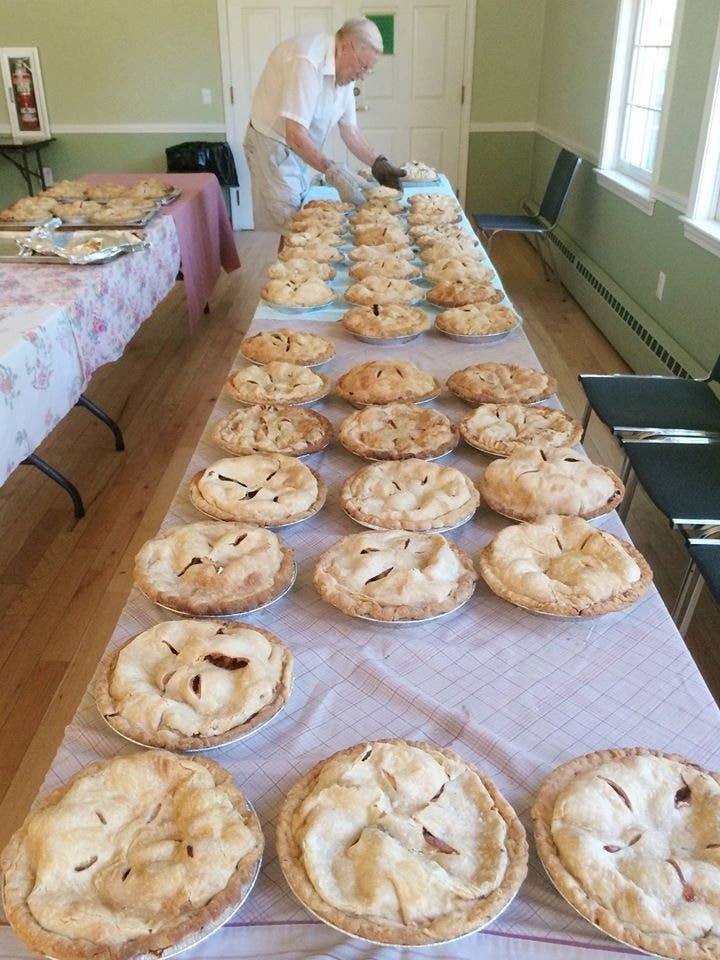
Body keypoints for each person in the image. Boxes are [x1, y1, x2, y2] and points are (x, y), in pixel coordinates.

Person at [243, 17, 406, 230]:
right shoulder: (307, 60)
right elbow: (295, 134)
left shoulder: (346, 71)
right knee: (293, 226)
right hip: (273, 145)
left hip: (296, 147)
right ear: (346, 47)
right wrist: (334, 172)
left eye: (368, 70)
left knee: (298, 218)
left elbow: (349, 130)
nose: (362, 76)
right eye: (362, 67)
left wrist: (377, 162)